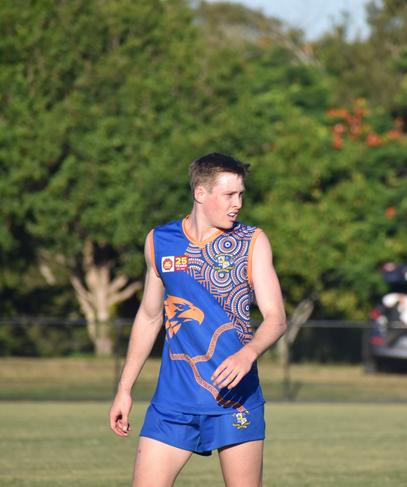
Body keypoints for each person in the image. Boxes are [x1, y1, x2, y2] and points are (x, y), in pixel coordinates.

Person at [109, 152, 287, 487]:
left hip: (236, 399)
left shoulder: (252, 242)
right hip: (173, 402)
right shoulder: (159, 242)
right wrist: (124, 389)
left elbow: (276, 318)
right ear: (200, 193)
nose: (238, 204)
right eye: (229, 195)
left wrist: (247, 354)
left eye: (241, 195)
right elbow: (149, 317)